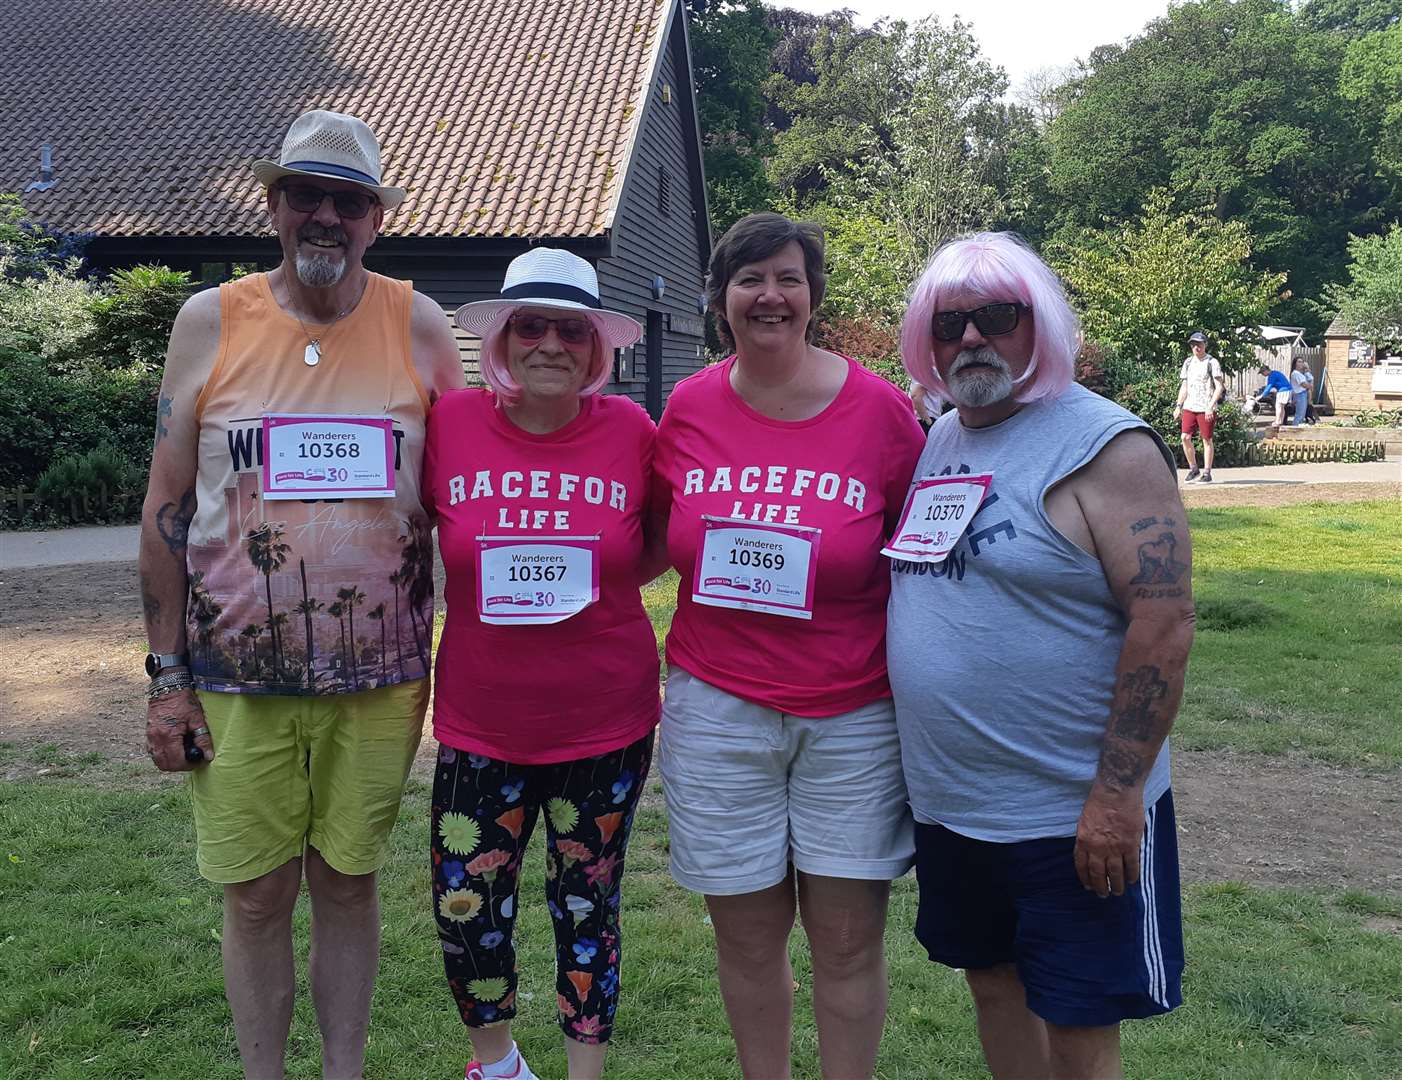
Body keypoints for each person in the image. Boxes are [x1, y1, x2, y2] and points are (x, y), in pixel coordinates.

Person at [138, 109, 464, 1079]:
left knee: (350, 883)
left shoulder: (420, 322)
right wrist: (166, 677)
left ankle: (343, 1070)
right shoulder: (213, 319)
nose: (327, 216)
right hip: (237, 675)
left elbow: (473, 486)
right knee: (255, 895)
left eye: (349, 202)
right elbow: (166, 501)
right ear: (273, 204)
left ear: (375, 219)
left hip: (380, 675)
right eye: (308, 196)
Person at [887, 231, 1193, 1080]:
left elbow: (1164, 622)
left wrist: (1116, 795)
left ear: (1040, 327)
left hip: (1070, 815)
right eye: (950, 325)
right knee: (993, 984)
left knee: (1079, 1014)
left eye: (997, 317)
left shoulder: (1106, 445)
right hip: (956, 808)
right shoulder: (943, 437)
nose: (972, 340)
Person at [651, 212, 926, 1080]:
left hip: (851, 715)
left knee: (846, 945)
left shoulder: (881, 412)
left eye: (787, 278)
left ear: (813, 297)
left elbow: (924, 554)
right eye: (749, 279)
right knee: (747, 939)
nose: (769, 295)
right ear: (720, 300)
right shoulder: (687, 408)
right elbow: (651, 537)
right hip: (718, 709)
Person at [422, 249, 660, 1080]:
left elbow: (658, 538)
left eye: (571, 328)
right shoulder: (450, 423)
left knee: (586, 902)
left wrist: (595, 583)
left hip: (605, 717)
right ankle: (499, 1068)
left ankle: (583, 1075)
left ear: (597, 346)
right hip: (482, 717)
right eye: (531, 325)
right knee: (468, 902)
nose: (550, 344)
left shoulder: (633, 432)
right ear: (502, 339)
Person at [1172, 331, 1224, 482]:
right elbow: (1184, 386)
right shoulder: (1188, 362)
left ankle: (1207, 472)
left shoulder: (1212, 362)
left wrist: (1210, 406)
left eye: (1199, 344)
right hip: (1190, 405)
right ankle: (1193, 468)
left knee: (1206, 439)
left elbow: (1219, 387)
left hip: (1205, 406)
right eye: (1193, 344)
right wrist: (1178, 406)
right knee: (1185, 437)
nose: (1196, 347)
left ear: (1205, 345)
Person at [1290, 355, 1316, 426]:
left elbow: (1310, 379)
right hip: (1299, 395)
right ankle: (1294, 430)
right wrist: (1310, 386)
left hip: (1303, 395)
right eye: (1299, 362)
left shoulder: (1301, 374)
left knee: (1302, 414)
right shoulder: (1295, 373)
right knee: (1299, 415)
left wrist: (1307, 369)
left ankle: (1298, 429)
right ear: (1295, 363)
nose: (1301, 363)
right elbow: (1304, 384)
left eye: (1302, 362)